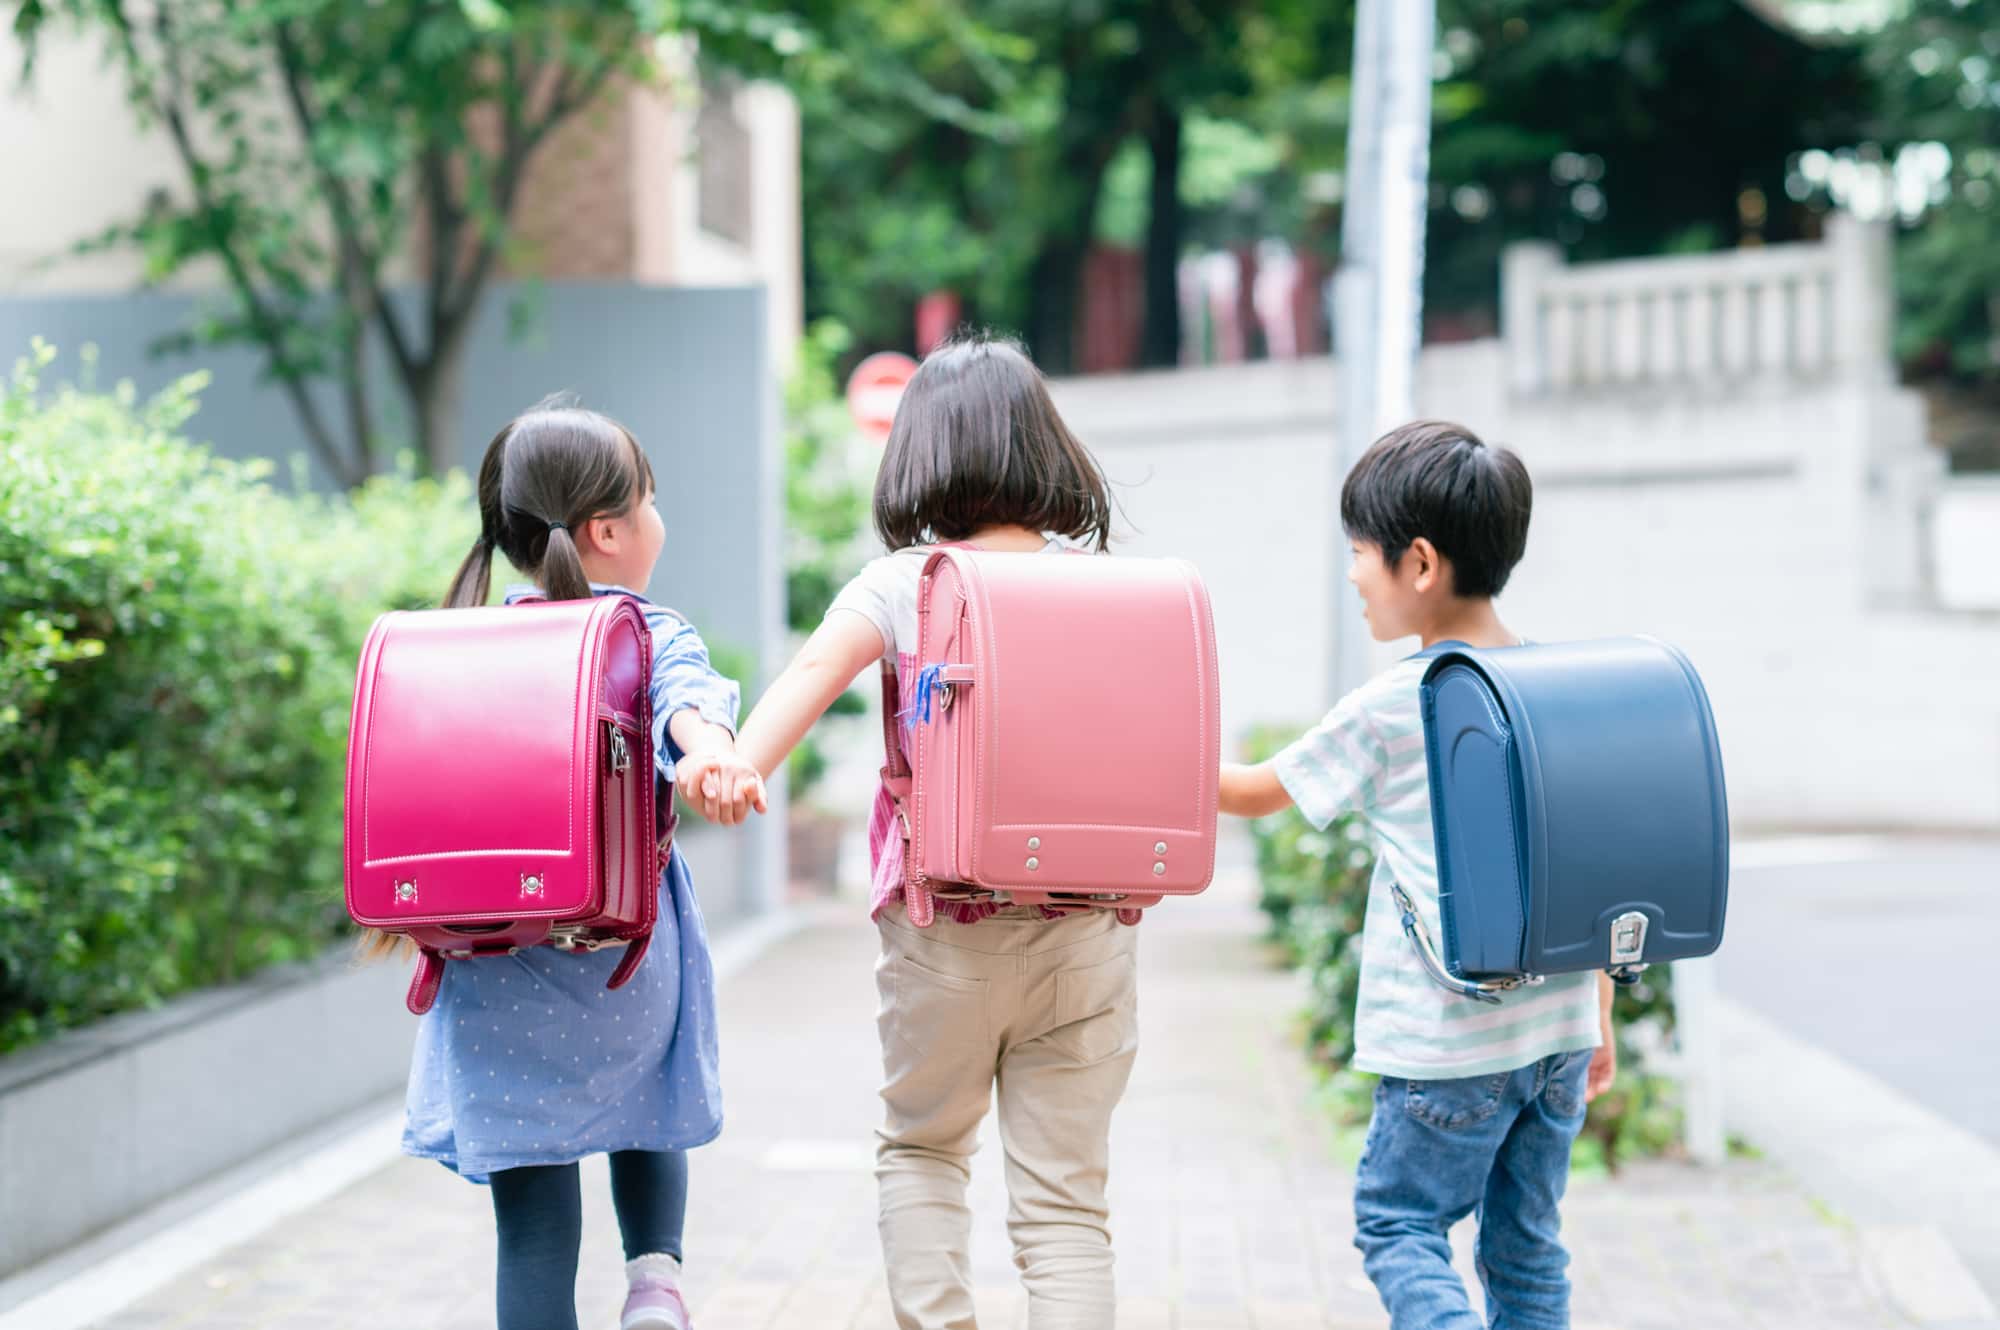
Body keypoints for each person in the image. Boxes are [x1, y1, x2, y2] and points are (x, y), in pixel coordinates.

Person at [731, 334, 1139, 1329]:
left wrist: (736, 763)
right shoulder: (1102, 581)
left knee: (921, 1151)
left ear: (917, 454)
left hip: (943, 931)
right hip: (1087, 932)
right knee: (1066, 1209)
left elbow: (807, 677)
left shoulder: (902, 583)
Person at [377, 396, 765, 1330]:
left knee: (534, 1236)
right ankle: (655, 1279)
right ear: (607, 531)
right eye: (651, 499)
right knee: (651, 1103)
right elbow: (687, 704)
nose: (660, 517)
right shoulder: (645, 631)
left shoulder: (459, 644)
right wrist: (709, 756)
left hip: (493, 965)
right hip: (625, 959)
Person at [1219, 420, 1617, 1330]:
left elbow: (1253, 792)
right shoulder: (1557, 687)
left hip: (1448, 1048)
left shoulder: (1401, 703)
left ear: (1421, 564)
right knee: (1526, 1245)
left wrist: (1137, 750)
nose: (1353, 574)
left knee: (1399, 1224)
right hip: (1556, 1035)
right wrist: (1599, 1016)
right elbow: (1583, 870)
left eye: (1360, 552)